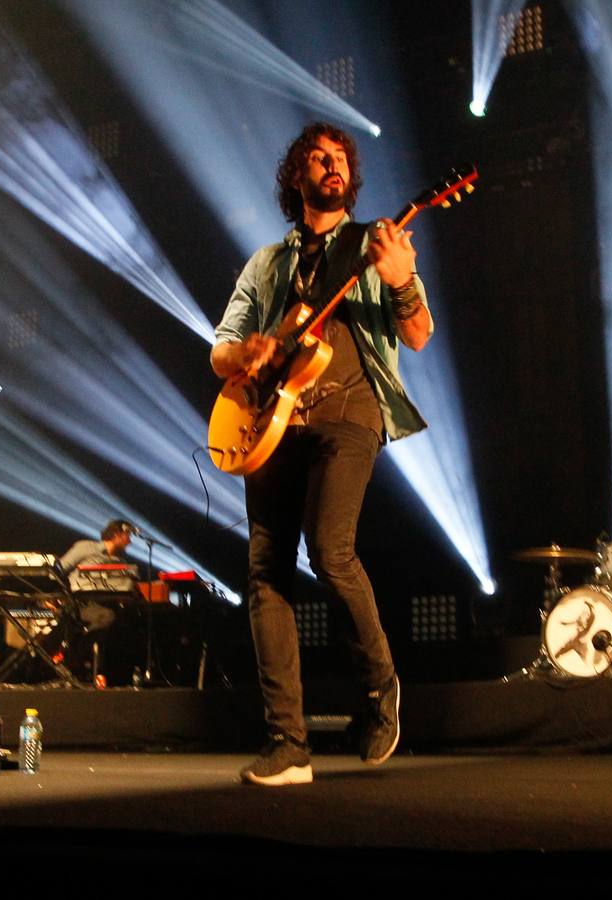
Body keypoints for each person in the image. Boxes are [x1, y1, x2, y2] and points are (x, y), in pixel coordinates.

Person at [212, 122, 432, 786]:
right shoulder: (266, 264)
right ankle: (288, 745)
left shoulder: (375, 244)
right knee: (264, 571)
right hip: (272, 421)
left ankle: (381, 687)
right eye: (317, 157)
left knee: (329, 552)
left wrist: (403, 281)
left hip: (349, 407)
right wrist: (246, 354)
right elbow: (220, 347)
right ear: (295, 177)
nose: (331, 164)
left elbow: (418, 336)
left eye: (340, 158)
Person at [58, 519, 132, 634]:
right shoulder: (87, 547)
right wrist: (53, 596)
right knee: (107, 616)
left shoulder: (121, 563)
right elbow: (59, 570)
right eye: (128, 536)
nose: (130, 542)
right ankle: (76, 646)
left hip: (102, 605)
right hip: (76, 603)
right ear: (117, 534)